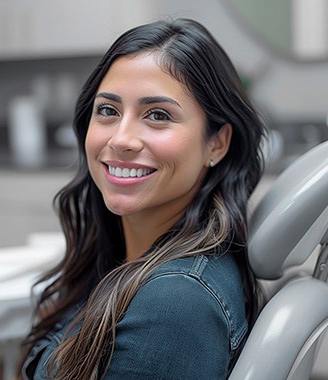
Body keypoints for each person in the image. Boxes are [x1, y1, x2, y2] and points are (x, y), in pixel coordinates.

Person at [19, 18, 266, 379]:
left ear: (217, 143)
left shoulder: (176, 305)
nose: (121, 139)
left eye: (158, 115)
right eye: (108, 110)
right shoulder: (127, 258)